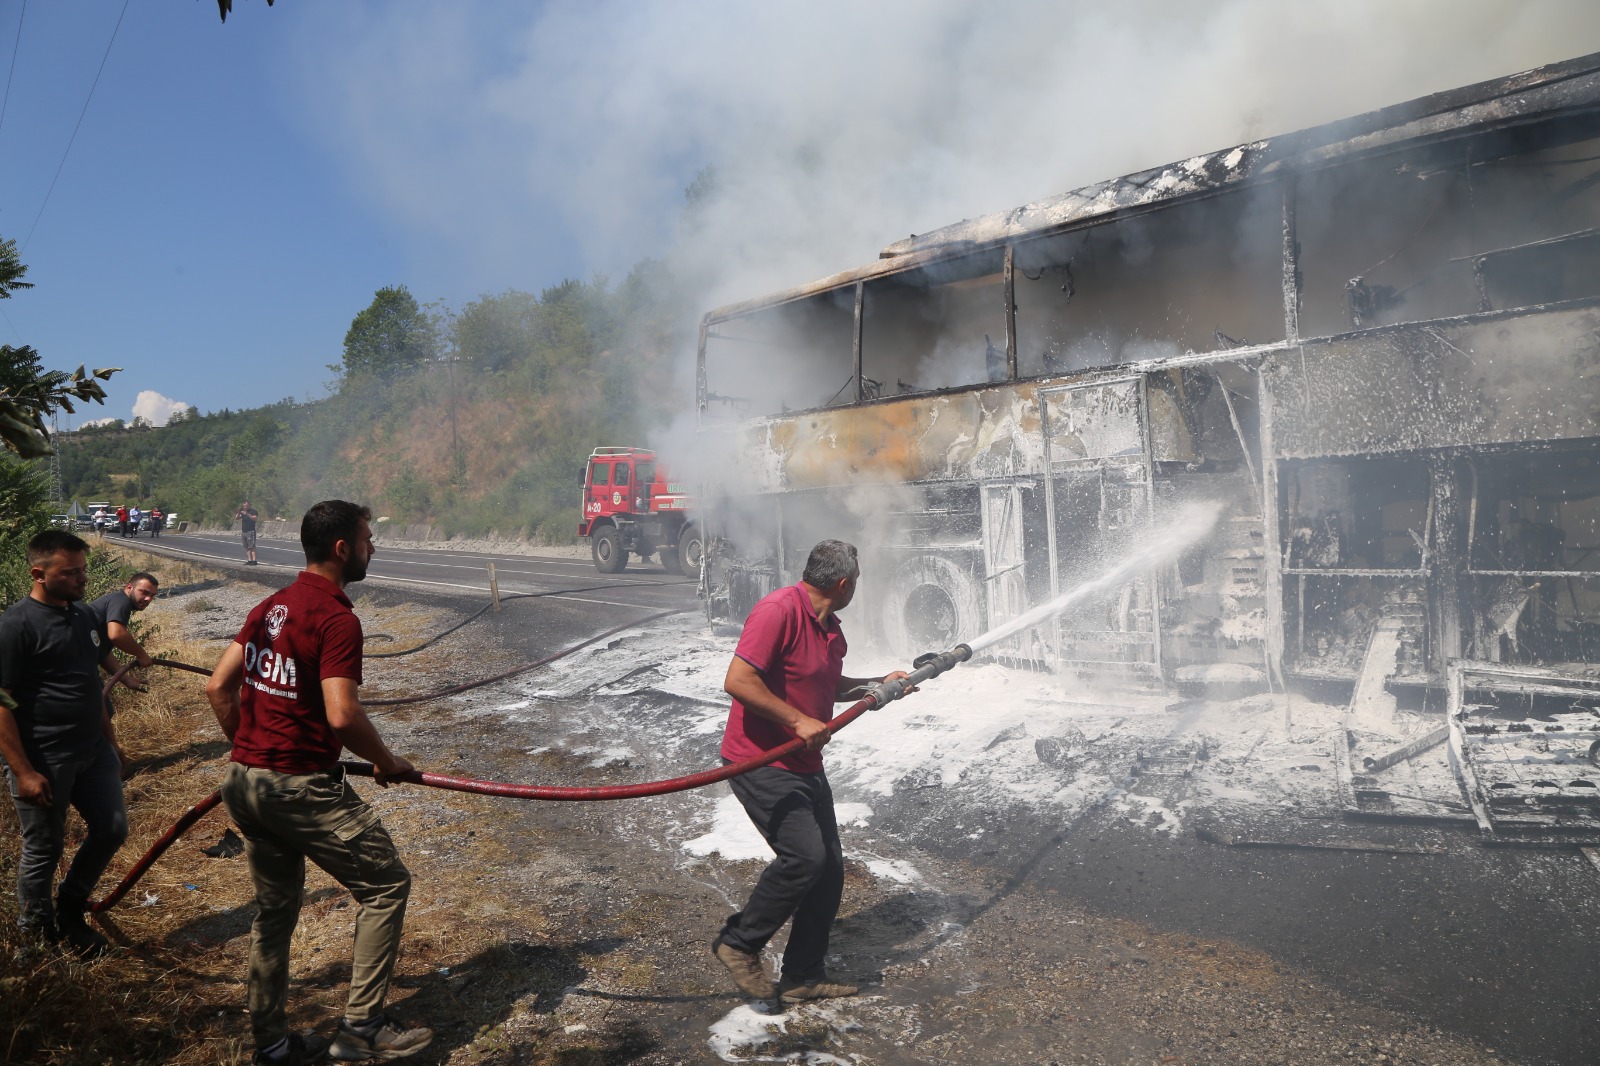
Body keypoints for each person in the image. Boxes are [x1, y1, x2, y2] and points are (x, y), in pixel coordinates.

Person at [205, 500, 430, 1065]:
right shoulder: (336, 618)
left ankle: (273, 1046)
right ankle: (361, 1032)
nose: (372, 547)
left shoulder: (270, 606)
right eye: (368, 539)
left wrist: (250, 748)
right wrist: (386, 760)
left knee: (274, 911)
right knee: (385, 886)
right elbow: (342, 714)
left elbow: (217, 687)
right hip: (298, 788)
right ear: (341, 549)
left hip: (244, 784)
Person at [712, 540, 911, 1004]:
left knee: (829, 870)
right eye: (856, 582)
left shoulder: (830, 628)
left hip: (804, 762)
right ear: (843, 584)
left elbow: (826, 684)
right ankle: (739, 944)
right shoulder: (777, 611)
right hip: (760, 759)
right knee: (805, 858)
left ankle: (803, 976)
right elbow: (737, 681)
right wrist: (798, 720)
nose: (856, 588)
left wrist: (877, 685)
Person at [0, 530, 130, 958]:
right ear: (39, 573)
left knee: (112, 828)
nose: (82, 580)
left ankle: (70, 911)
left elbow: (89, 685)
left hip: (93, 752)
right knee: (45, 847)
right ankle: (36, 938)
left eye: (83, 570)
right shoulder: (15, 626)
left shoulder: (84, 617)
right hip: (45, 756)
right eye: (70, 572)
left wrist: (111, 743)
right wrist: (23, 771)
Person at [88, 573, 159, 720]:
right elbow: (117, 634)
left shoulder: (116, 600)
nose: (148, 599)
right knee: (100, 715)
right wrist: (141, 654)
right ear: (129, 588)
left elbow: (103, 652)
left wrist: (126, 679)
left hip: (81, 666)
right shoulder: (121, 601)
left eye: (152, 595)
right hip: (75, 667)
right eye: (144, 592)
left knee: (102, 713)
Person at [237, 500, 259, 565]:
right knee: (247, 547)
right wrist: (239, 512)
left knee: (252, 546)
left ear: (249, 505)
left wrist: (247, 514)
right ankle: (249, 560)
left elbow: (254, 518)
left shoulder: (253, 511)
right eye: (244, 506)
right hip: (244, 531)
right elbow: (237, 518)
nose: (245, 507)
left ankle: (254, 561)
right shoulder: (243, 512)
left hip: (250, 531)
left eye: (246, 505)